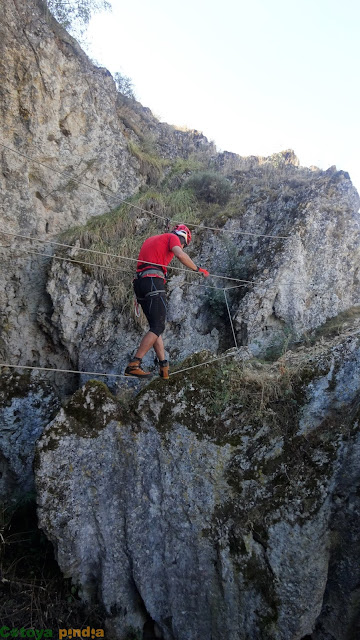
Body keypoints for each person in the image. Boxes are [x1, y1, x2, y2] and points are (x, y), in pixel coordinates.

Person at [125, 224, 209, 379]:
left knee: (155, 327)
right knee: (158, 326)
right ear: (183, 238)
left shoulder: (151, 239)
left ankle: (164, 366)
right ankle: (134, 364)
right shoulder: (172, 238)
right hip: (152, 281)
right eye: (184, 244)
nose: (182, 246)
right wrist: (198, 270)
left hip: (139, 283)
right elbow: (180, 255)